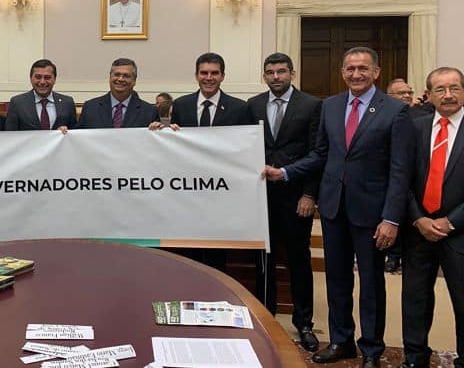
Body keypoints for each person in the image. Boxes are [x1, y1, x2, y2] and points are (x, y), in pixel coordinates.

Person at [264, 46, 412, 368]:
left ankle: (371, 350)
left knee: (371, 284)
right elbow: (320, 154)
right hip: (333, 208)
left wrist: (391, 218)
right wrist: (285, 172)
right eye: (350, 69)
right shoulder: (330, 106)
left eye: (363, 68)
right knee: (337, 280)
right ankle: (341, 341)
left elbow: (400, 170)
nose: (356, 74)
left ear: (376, 72)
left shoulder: (395, 111)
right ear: (342, 72)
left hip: (371, 213)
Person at [247, 52, 321, 352]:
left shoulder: (312, 105)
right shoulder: (253, 105)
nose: (275, 77)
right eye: (270, 72)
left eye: (281, 71)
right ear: (264, 75)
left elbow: (318, 153)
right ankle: (267, 317)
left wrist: (310, 194)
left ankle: (304, 323)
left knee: (298, 261)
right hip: (259, 197)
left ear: (292, 73)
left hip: (295, 197)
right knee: (263, 261)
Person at [401, 67, 464, 368]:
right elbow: (400, 178)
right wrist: (418, 218)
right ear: (428, 95)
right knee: (415, 300)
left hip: (460, 232)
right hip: (419, 231)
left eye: (455, 88)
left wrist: (451, 222)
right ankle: (415, 358)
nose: (448, 95)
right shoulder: (415, 128)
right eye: (440, 89)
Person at [170, 52, 251, 271]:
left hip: (222, 193)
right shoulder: (181, 105)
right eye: (204, 73)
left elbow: (245, 150)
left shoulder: (239, 108)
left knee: (216, 254)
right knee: (189, 253)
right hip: (188, 192)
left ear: (223, 76)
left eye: (214, 73)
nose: (209, 78)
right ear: (196, 75)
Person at [385, 78, 415, 274]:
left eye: (409, 92)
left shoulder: (423, 114)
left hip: (415, 180)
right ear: (389, 96)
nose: (406, 96)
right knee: (394, 217)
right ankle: (393, 257)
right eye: (401, 93)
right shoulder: (384, 116)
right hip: (392, 178)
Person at [77, 58, 158, 128]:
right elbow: (78, 136)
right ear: (110, 78)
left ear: (134, 81)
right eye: (117, 74)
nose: (120, 79)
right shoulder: (90, 108)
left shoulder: (149, 111)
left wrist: (158, 130)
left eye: (126, 76)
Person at [5, 59, 77, 131]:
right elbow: (10, 134)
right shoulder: (17, 103)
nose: (42, 82)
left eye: (47, 77)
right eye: (38, 77)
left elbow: (74, 133)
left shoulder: (67, 103)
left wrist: (65, 132)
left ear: (54, 79)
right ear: (31, 78)